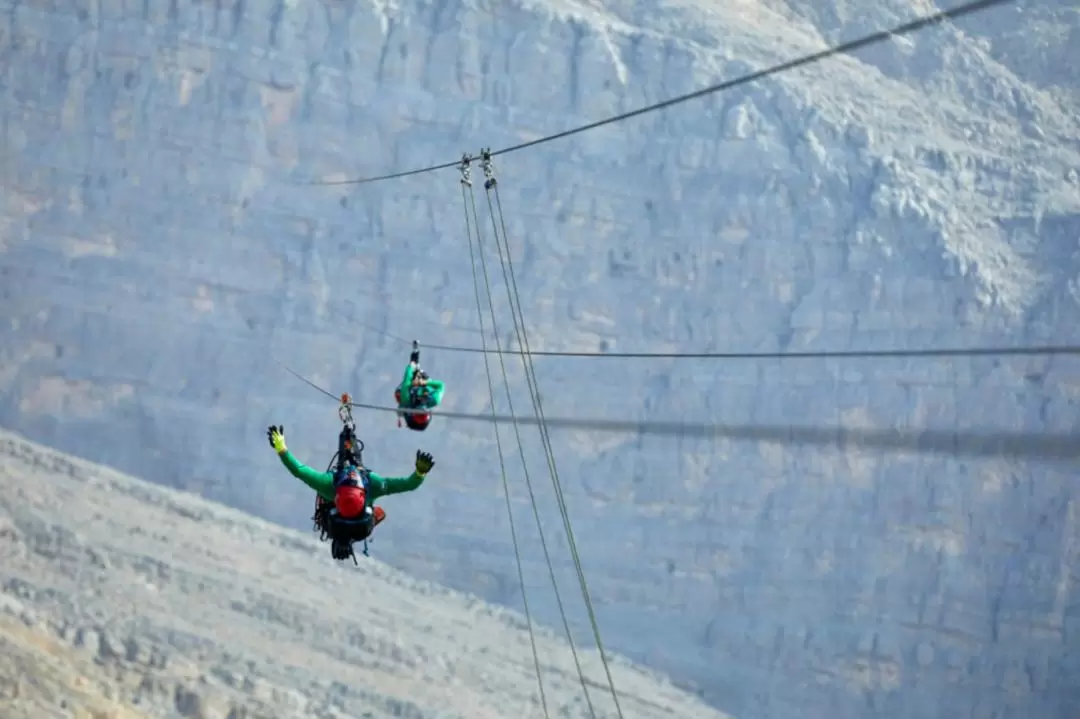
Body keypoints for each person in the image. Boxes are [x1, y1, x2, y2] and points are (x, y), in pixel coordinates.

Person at [266, 424, 434, 552]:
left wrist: (281, 448)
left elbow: (299, 470)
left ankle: (343, 538)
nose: (351, 473)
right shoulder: (373, 485)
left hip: (344, 523)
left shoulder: (328, 485)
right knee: (379, 513)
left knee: (356, 521)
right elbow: (408, 485)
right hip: (359, 525)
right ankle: (347, 538)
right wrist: (419, 473)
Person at [394, 340, 445, 431]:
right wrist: (425, 382)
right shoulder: (433, 399)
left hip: (411, 417)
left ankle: (415, 364)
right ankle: (418, 368)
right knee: (425, 379)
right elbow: (441, 385)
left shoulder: (407, 398)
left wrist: (411, 366)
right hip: (418, 415)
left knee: (400, 393)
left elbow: (407, 378)